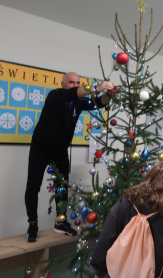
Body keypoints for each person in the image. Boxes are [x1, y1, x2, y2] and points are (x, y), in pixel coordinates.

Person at [25, 72, 117, 242]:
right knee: (33, 187)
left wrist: (109, 94)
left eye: (78, 82)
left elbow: (98, 103)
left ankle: (60, 222)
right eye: (72, 82)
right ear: (63, 84)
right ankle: (32, 224)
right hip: (40, 147)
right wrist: (97, 87)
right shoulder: (55, 95)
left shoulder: (78, 103)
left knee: (62, 187)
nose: (75, 85)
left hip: (60, 151)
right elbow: (74, 93)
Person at [90, 161, 163, 278]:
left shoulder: (126, 202)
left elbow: (106, 239)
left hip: (122, 273)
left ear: (149, 178)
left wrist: (100, 271)